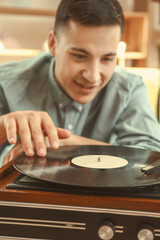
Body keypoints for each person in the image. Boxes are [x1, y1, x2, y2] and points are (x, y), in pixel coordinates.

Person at [0, 0, 160, 164]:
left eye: (107, 58)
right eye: (80, 56)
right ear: (53, 44)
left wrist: (66, 143)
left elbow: (152, 157)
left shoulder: (129, 88)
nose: (93, 77)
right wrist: (2, 127)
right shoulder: (5, 82)